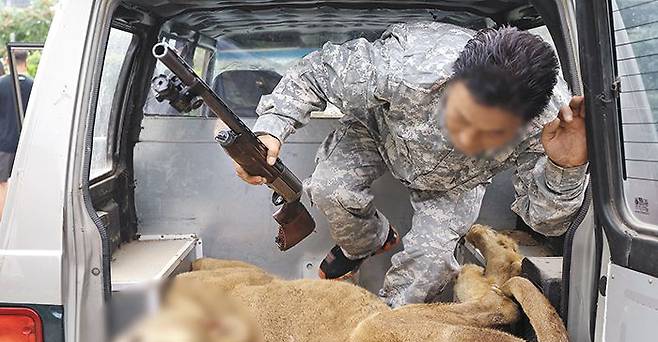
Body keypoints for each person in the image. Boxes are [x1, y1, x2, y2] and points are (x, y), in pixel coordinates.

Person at [234, 23, 588, 307]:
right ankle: (368, 243)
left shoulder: (550, 124)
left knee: (429, 270)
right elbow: (314, 74)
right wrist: (270, 131)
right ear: (449, 81)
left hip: (456, 183)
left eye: (487, 131)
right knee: (330, 190)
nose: (463, 137)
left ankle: (382, 333)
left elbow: (547, 222)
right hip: (377, 133)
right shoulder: (404, 65)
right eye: (458, 114)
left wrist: (566, 166)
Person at [0, 50, 33, 220]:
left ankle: (3, 224)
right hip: (28, 145)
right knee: (25, 184)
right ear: (25, 60)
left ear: (8, 60)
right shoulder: (35, 86)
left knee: (2, 185)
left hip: (3, 145)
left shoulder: (1, 84)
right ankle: (24, 220)